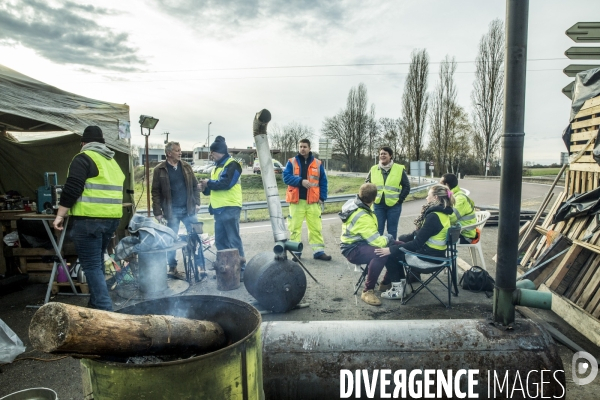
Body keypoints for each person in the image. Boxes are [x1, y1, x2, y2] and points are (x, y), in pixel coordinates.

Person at [53, 126, 125, 311]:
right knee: (97, 262)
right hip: (111, 220)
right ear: (102, 143)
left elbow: (72, 188)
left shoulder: (83, 158)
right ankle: (95, 306)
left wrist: (60, 214)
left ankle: (104, 309)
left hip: (89, 221)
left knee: (91, 265)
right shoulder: (111, 162)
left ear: (83, 143)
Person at [374, 184, 454, 300]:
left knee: (391, 254)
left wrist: (390, 250)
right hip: (437, 255)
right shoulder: (444, 214)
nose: (426, 198)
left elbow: (416, 244)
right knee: (398, 246)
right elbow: (421, 235)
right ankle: (403, 288)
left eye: (428, 195)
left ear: (436, 197)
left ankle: (398, 289)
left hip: (428, 259)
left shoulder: (433, 217)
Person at [339, 183, 396, 306]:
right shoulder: (362, 216)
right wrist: (389, 237)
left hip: (359, 243)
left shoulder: (356, 204)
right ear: (374, 199)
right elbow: (377, 242)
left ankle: (386, 283)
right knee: (381, 253)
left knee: (394, 247)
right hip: (352, 249)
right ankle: (367, 291)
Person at [198, 136, 246, 278]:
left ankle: (241, 270)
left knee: (233, 240)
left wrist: (209, 183)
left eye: (212, 153)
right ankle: (226, 270)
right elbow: (214, 187)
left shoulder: (233, 165)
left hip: (230, 207)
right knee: (220, 241)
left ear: (218, 152)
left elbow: (226, 183)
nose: (211, 156)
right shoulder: (216, 167)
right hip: (219, 210)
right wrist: (204, 188)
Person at [151, 141, 200, 273]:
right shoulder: (159, 170)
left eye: (180, 150)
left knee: (196, 235)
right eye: (177, 150)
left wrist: (197, 203)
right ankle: (172, 267)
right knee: (171, 239)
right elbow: (155, 192)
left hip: (188, 209)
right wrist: (157, 212)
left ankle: (198, 265)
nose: (180, 152)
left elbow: (195, 186)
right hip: (171, 211)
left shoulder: (186, 167)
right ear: (169, 153)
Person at [283, 138, 332, 261]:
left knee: (315, 227)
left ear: (309, 148)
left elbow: (323, 181)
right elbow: (286, 178)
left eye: (305, 146)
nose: (302, 149)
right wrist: (301, 181)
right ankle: (296, 252)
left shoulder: (318, 163)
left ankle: (319, 252)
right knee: (294, 228)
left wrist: (322, 197)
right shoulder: (291, 162)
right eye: (300, 147)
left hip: (313, 202)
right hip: (296, 201)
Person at [365, 146, 410, 240]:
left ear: (391, 156)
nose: (382, 155)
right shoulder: (373, 169)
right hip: (378, 205)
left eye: (385, 154)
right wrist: (370, 200)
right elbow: (367, 186)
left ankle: (391, 251)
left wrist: (400, 200)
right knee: (378, 229)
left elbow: (406, 186)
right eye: (381, 154)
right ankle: (378, 250)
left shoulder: (399, 169)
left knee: (392, 230)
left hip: (394, 205)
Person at [440, 173, 478, 244]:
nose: (439, 186)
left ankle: (437, 254)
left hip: (465, 235)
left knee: (437, 238)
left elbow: (452, 218)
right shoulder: (453, 195)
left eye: (441, 184)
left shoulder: (460, 198)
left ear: (447, 185)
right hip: (459, 231)